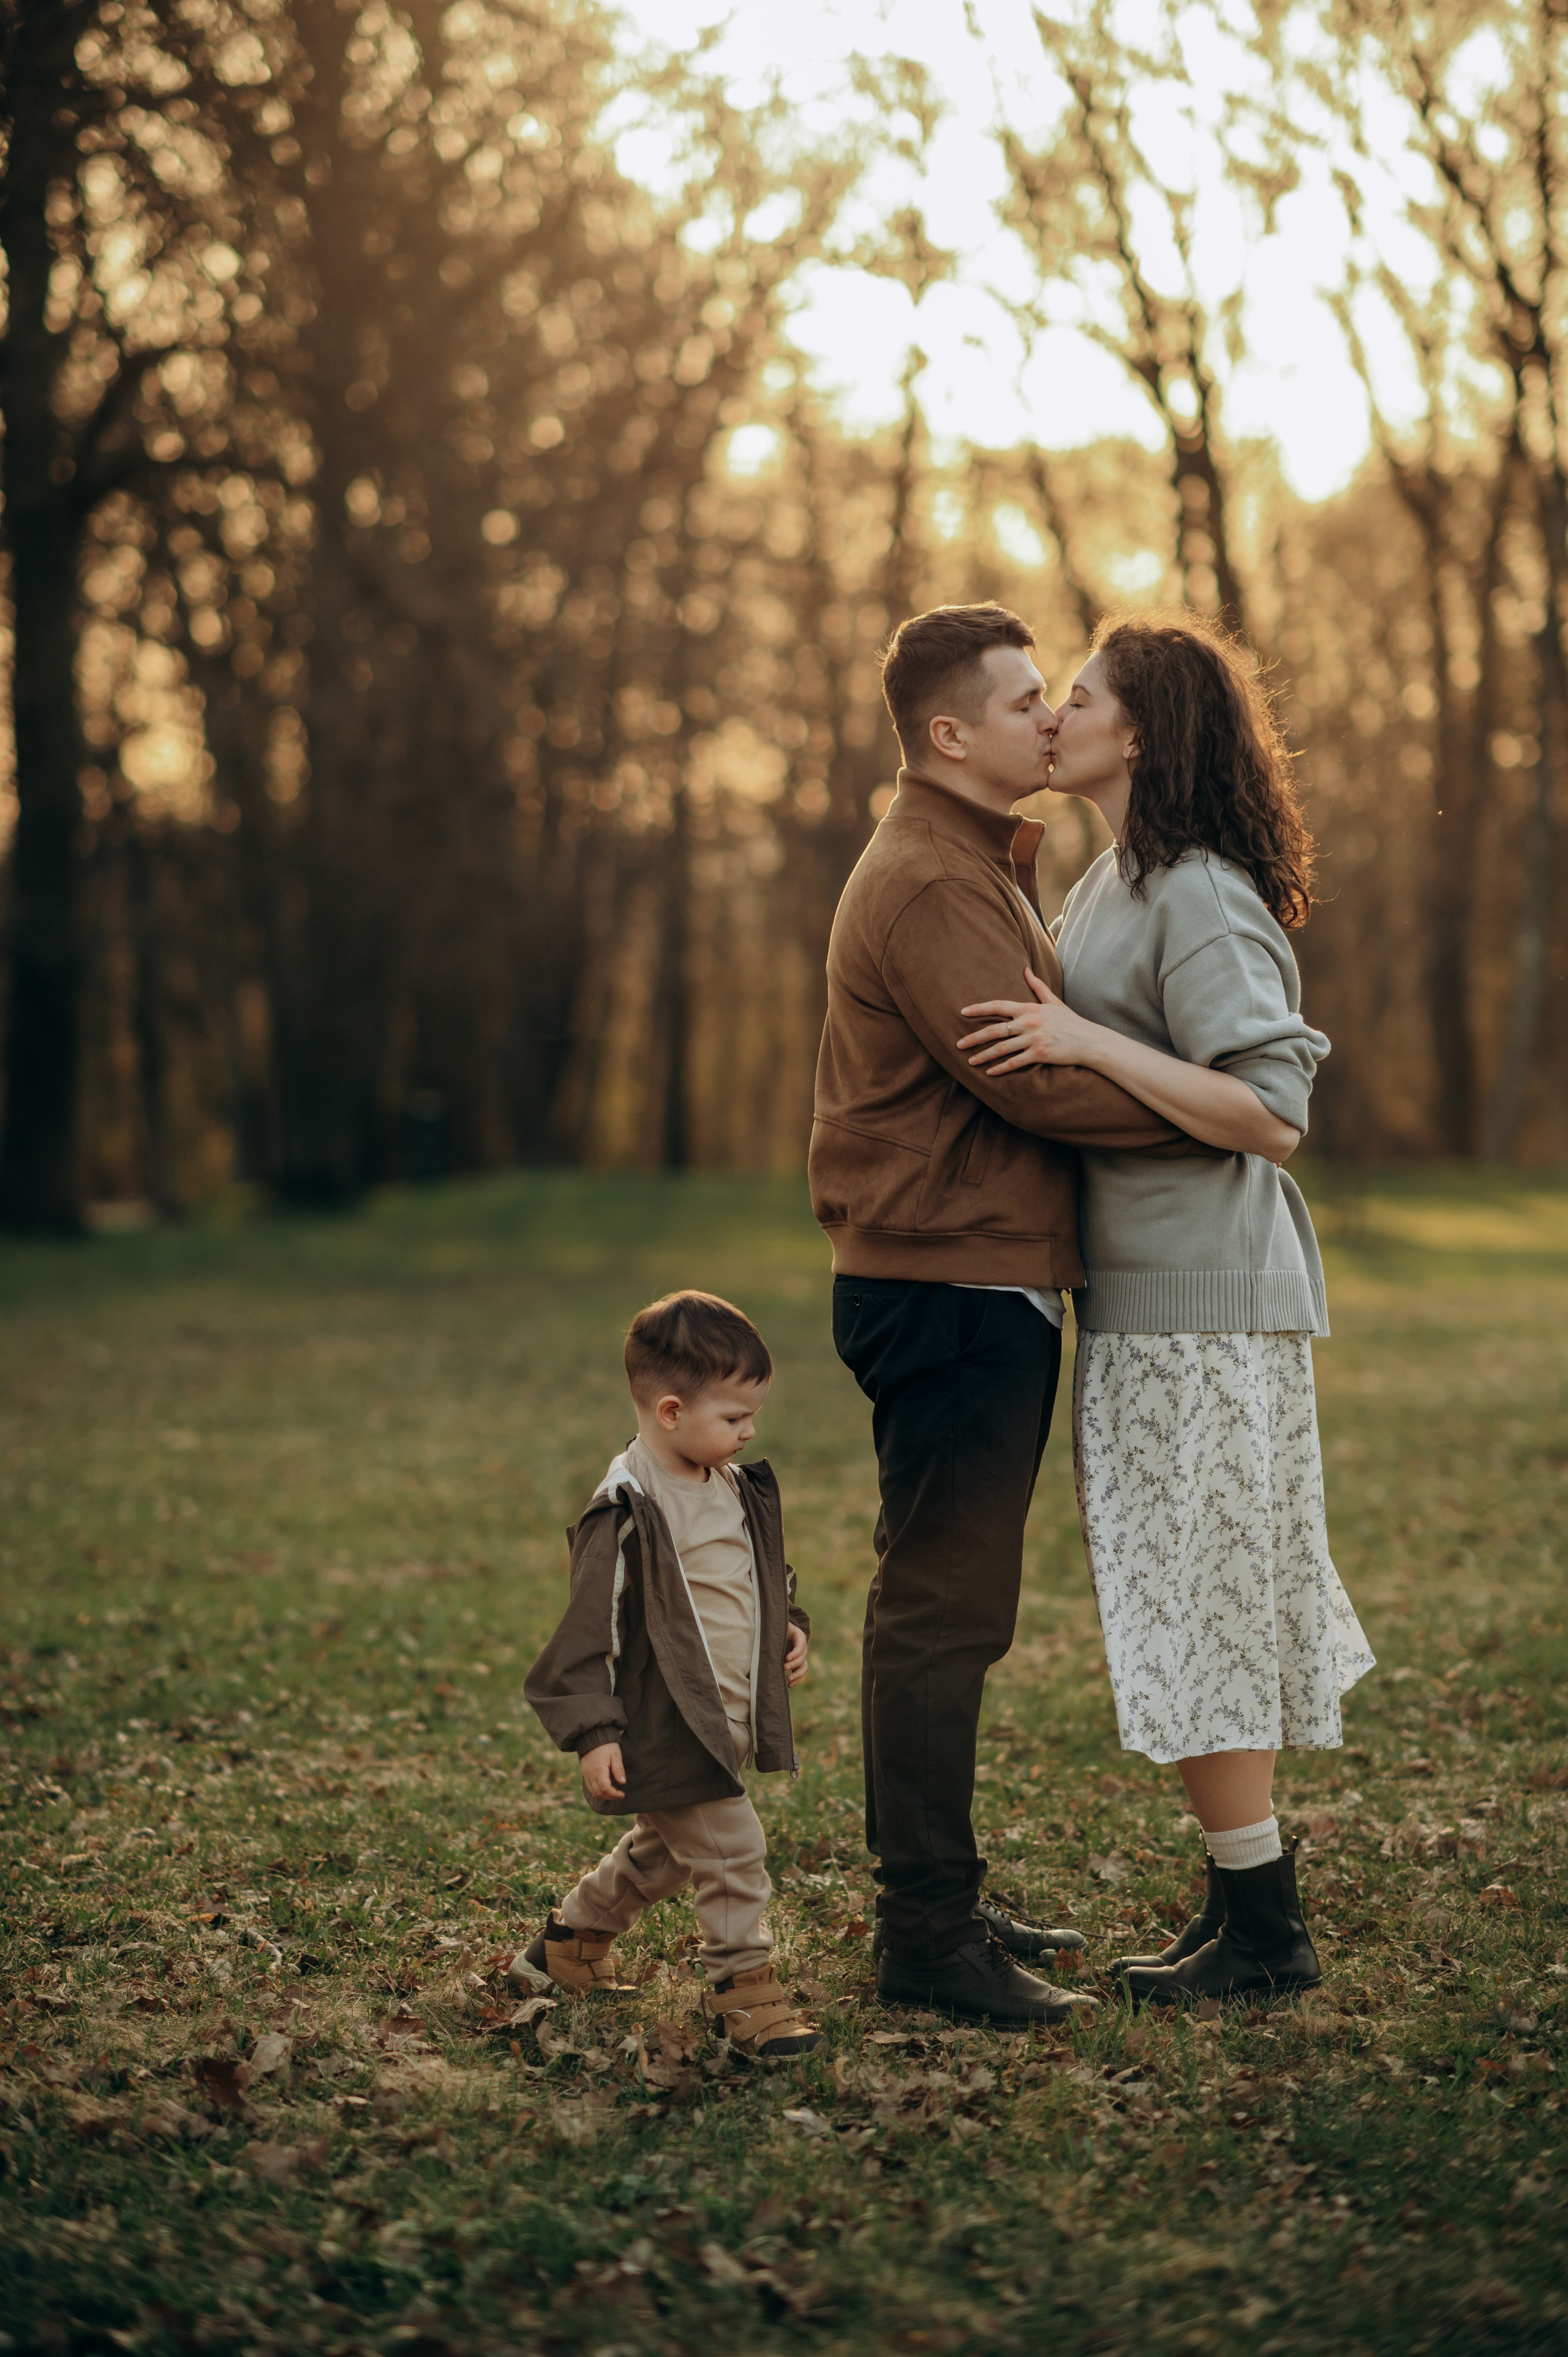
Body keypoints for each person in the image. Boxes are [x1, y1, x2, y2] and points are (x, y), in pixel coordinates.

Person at [956, 611, 1375, 2007]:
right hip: (1140, 1300)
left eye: (1073, 695)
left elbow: (1271, 1110)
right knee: (1180, 1596)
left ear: (1132, 730)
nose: (1052, 713)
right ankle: (1245, 1908)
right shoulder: (1103, 885)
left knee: (1200, 1598)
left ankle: (1264, 1932)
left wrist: (1081, 1039)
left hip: (1204, 1305)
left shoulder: (1192, 887)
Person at [810, 602, 1219, 2026]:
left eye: (1053, 693)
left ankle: (943, 1891)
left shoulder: (970, 865)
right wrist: (1210, 1116)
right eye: (1024, 697)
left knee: (950, 1607)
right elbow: (1031, 1083)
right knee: (937, 1610)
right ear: (948, 733)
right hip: (945, 1279)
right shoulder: (929, 879)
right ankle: (922, 1933)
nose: (1048, 716)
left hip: (971, 1270)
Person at [522, 1289, 823, 2058]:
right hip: (666, 1724)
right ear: (668, 1411)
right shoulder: (626, 1508)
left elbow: (754, 1571)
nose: (749, 1430)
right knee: (730, 1851)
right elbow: (584, 1633)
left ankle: (567, 1946)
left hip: (721, 1724)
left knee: (662, 1856)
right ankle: (747, 1994)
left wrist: (789, 1624)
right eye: (733, 1417)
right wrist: (596, 1734)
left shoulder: (724, 1481)